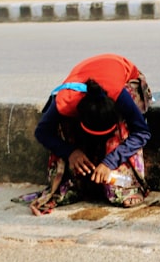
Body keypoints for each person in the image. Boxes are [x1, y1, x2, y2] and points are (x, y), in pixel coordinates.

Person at [23, 54, 153, 215]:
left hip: (124, 78)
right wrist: (70, 152)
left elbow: (142, 132)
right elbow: (42, 132)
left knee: (124, 126)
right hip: (82, 90)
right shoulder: (65, 101)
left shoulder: (119, 95)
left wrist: (110, 162)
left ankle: (126, 186)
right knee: (61, 127)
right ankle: (70, 185)